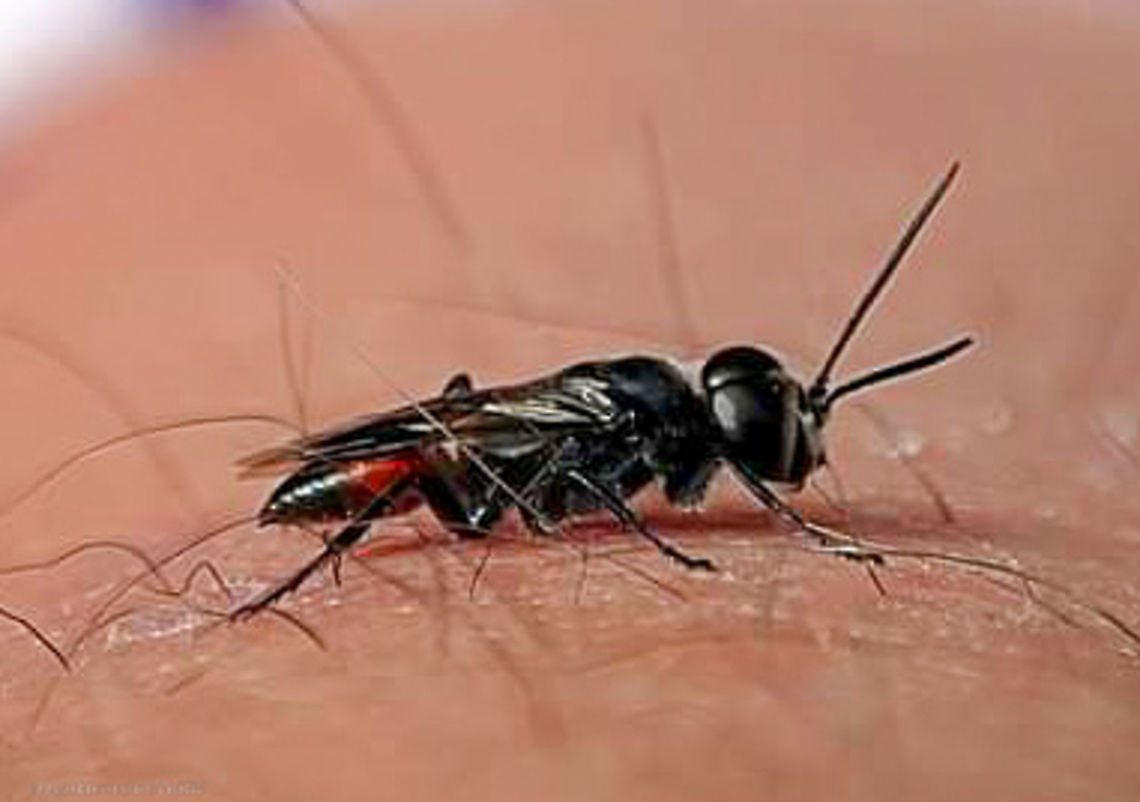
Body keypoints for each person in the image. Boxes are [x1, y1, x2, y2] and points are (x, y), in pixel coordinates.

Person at [3, 2, 1140, 798]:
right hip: (406, 468)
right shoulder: (641, 422)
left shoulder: (661, 414)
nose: (781, 451)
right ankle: (310, 566)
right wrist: (730, 537)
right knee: (427, 461)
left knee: (443, 450)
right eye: (776, 446)